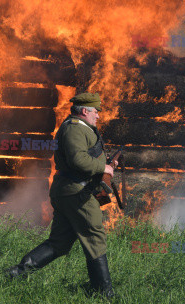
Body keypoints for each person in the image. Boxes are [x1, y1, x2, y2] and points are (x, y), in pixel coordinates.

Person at [6, 92, 116, 298]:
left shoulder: (79, 127)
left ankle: (17, 273)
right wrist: (103, 167)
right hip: (77, 193)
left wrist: (106, 165)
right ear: (84, 111)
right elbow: (78, 161)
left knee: (60, 242)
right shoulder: (74, 129)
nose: (98, 116)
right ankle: (103, 293)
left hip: (70, 192)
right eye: (95, 111)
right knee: (95, 236)